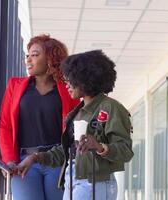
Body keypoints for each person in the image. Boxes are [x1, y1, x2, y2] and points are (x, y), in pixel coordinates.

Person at [17, 50, 134, 200]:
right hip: (73, 180)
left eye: (71, 79)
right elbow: (66, 151)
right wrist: (35, 158)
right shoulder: (77, 113)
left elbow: (125, 151)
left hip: (95, 183)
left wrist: (99, 146)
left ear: (85, 79)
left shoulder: (110, 108)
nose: (66, 84)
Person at [0, 34, 80, 200]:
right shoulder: (15, 86)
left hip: (58, 161)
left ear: (51, 59)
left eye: (34, 55)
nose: (28, 60)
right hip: (22, 162)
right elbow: (5, 126)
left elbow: (75, 128)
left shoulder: (69, 89)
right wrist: (9, 160)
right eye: (27, 56)